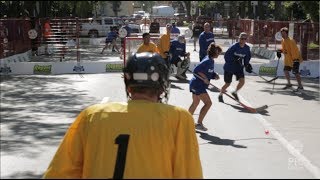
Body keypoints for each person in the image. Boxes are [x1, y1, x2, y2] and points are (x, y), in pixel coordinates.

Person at [42, 52, 203, 178]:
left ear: (128, 84)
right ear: (162, 87)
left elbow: (59, 174)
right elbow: (188, 174)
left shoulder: (91, 116)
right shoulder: (179, 119)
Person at [188, 43, 222, 131]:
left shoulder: (211, 60)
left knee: (195, 103)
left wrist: (214, 75)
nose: (219, 54)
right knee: (208, 103)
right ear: (214, 52)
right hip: (198, 85)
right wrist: (205, 78)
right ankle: (199, 123)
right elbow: (196, 70)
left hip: (196, 84)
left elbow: (208, 71)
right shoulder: (207, 60)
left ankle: (185, 122)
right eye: (218, 52)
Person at [218, 32, 252, 103]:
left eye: (245, 39)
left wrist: (247, 65)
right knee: (228, 83)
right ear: (239, 38)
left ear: (246, 40)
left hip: (239, 67)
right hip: (229, 67)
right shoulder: (234, 46)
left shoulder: (247, 48)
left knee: (242, 81)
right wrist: (234, 60)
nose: (243, 40)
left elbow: (247, 58)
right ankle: (220, 95)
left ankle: (235, 92)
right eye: (242, 38)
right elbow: (226, 56)